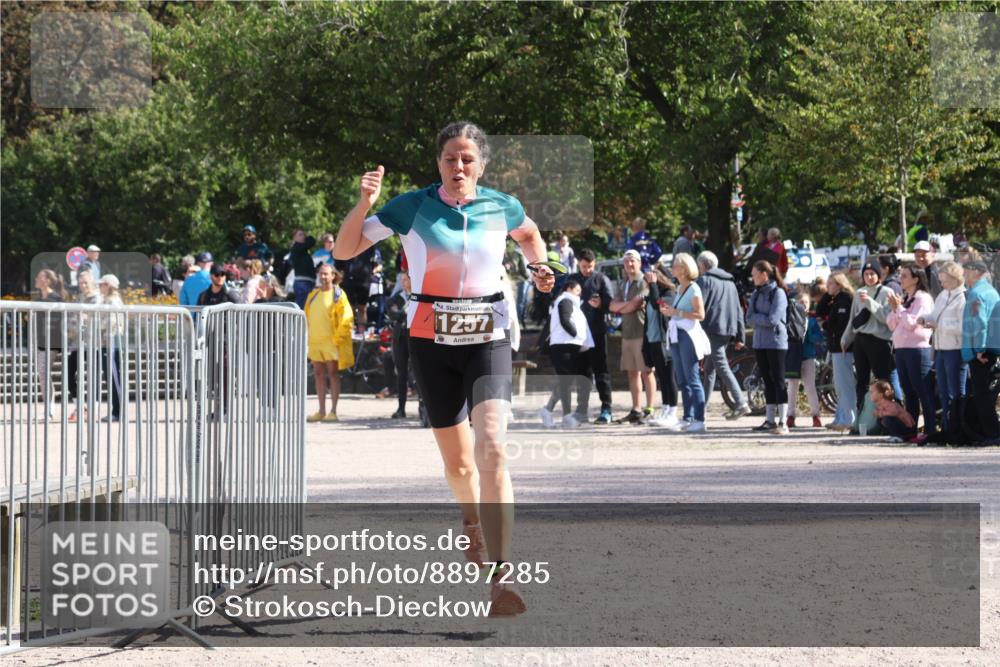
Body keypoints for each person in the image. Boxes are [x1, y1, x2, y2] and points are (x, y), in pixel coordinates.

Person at [332, 121, 555, 616]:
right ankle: (471, 521)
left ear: (482, 164)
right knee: (459, 465)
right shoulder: (410, 207)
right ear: (439, 163)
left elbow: (530, 234)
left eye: (468, 159)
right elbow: (344, 251)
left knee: (493, 446)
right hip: (431, 342)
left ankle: (502, 577)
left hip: (488, 336)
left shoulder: (502, 205)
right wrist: (364, 203)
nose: (459, 167)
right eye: (451, 158)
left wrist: (540, 268)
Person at [696, 250, 750, 419]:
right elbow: (738, 311)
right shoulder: (730, 283)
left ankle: (740, 402)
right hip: (728, 330)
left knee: (721, 365)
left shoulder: (704, 280)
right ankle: (701, 409)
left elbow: (699, 306)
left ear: (703, 265)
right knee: (711, 369)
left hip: (712, 329)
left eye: (699, 266)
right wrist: (740, 335)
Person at [886, 264, 936, 444]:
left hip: (918, 350)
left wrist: (898, 308)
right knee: (909, 392)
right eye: (901, 275)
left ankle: (930, 431)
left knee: (922, 390)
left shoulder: (923, 298)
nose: (901, 278)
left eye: (905, 276)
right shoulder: (906, 298)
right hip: (901, 349)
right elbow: (892, 324)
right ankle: (910, 430)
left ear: (916, 279)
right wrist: (894, 309)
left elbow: (911, 323)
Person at [660, 253, 709, 432]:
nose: (672, 268)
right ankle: (688, 417)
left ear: (684, 269)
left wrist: (677, 312)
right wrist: (671, 312)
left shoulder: (693, 289)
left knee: (692, 378)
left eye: (675, 265)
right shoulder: (680, 288)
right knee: (682, 379)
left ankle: (700, 419)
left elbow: (700, 315)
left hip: (687, 335)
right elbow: (678, 311)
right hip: (676, 334)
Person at [919, 261, 966, 433]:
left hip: (955, 349)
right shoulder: (942, 295)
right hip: (940, 349)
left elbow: (963, 327)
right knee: (944, 392)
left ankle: (959, 428)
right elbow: (934, 315)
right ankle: (947, 428)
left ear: (954, 278)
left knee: (956, 392)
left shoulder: (963, 297)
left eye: (944, 280)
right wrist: (925, 318)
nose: (941, 283)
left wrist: (939, 325)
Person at [538, 280, 594, 427]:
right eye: (577, 290)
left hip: (567, 345)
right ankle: (566, 415)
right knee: (566, 381)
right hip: (563, 345)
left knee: (566, 381)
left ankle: (548, 410)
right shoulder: (566, 300)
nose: (579, 294)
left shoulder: (568, 301)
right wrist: (576, 333)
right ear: (569, 288)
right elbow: (564, 319)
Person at [569, 249, 615, 424]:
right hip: (578, 334)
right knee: (582, 373)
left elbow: (611, 304)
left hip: (597, 331)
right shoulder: (571, 280)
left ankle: (606, 409)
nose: (587, 269)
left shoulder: (601, 279)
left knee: (601, 371)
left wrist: (601, 304)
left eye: (590, 266)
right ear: (578, 263)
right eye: (584, 266)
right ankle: (581, 410)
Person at [305, 264, 355, 423]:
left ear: (333, 275)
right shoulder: (313, 294)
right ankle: (321, 410)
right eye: (321, 274)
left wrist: (338, 338)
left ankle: (333, 411)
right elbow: (305, 315)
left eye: (326, 274)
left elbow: (346, 318)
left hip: (331, 341)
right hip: (315, 341)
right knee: (318, 375)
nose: (323, 277)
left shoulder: (338, 294)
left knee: (333, 374)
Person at [610, 249, 655, 423]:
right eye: (627, 261)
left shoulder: (644, 281)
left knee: (646, 371)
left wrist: (622, 306)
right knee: (631, 373)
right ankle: (636, 408)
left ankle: (649, 408)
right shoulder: (623, 283)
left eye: (632, 261)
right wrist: (624, 306)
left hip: (641, 331)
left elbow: (635, 304)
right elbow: (612, 305)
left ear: (639, 262)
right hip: (627, 333)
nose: (629, 264)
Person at [746, 260, 791, 434]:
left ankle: (783, 422)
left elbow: (773, 320)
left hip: (776, 342)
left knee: (779, 380)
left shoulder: (778, 293)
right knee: (767, 381)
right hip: (759, 342)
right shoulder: (756, 294)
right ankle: (770, 420)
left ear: (764, 274)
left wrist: (758, 318)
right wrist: (760, 319)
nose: (752, 278)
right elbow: (747, 318)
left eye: (754, 274)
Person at [845, 261, 894, 412]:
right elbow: (852, 320)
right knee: (861, 380)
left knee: (882, 380)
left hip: (879, 340)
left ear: (879, 275)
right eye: (866, 274)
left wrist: (870, 302)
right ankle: (862, 416)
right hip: (861, 340)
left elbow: (886, 319)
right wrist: (845, 339)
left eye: (873, 273)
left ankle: (886, 416)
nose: (869, 277)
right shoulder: (859, 292)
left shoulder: (887, 292)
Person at [961, 260, 1000, 441]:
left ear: (975, 271)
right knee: (987, 394)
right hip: (991, 348)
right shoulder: (992, 292)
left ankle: (991, 433)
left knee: (981, 394)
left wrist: (978, 350)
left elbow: (980, 323)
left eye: (966, 270)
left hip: (981, 352)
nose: (963, 273)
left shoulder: (976, 293)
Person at [816, 272, 856, 432]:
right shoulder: (836, 299)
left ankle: (848, 419)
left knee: (844, 384)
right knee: (839, 385)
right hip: (836, 347)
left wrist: (824, 325)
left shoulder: (844, 301)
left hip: (844, 348)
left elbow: (839, 326)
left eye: (831, 284)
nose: (827, 287)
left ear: (839, 284)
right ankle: (841, 417)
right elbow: (820, 309)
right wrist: (828, 293)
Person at [642, 262, 679, 428]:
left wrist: (653, 284)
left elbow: (660, 307)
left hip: (667, 342)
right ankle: (665, 409)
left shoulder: (670, 293)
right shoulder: (652, 294)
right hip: (654, 341)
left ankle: (673, 411)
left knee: (669, 377)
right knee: (662, 378)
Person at [66, 270, 102, 423]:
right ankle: (80, 406)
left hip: (94, 343)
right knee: (69, 374)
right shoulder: (78, 298)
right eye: (80, 283)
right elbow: (72, 319)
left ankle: (93, 409)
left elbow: (93, 318)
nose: (83, 285)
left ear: (92, 283)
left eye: (85, 282)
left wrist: (82, 317)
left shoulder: (98, 298)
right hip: (77, 343)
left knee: (94, 376)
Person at [786, 290, 824, 428]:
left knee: (810, 387)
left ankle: (816, 415)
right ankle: (790, 415)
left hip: (808, 356)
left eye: (806, 302)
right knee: (792, 387)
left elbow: (819, 338)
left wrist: (809, 335)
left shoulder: (812, 321)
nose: (804, 305)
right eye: (801, 302)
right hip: (793, 357)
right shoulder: (791, 319)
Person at [33, 269, 66, 420]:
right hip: (40, 341)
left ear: (47, 280)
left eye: (39, 277)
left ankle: (49, 410)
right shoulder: (39, 299)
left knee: (43, 371)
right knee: (43, 373)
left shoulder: (56, 298)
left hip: (52, 341)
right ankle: (49, 408)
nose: (36, 279)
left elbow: (62, 321)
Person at [97, 275, 125, 422]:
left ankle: (119, 411)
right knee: (111, 376)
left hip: (112, 341)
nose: (99, 286)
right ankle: (116, 410)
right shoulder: (108, 299)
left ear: (107, 285)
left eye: (101, 284)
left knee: (114, 377)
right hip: (107, 341)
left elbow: (108, 322)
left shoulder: (112, 300)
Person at [386, 271, 413, 418]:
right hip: (400, 337)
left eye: (406, 279)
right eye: (401, 279)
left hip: (415, 336)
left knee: (417, 372)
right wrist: (405, 313)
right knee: (401, 373)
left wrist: (403, 314)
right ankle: (401, 408)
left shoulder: (417, 297)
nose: (403, 282)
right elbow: (392, 314)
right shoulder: (396, 298)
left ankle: (423, 407)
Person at [287, 229, 317, 309]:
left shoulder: (303, 251)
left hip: (308, 282)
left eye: (304, 234)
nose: (303, 236)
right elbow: (312, 241)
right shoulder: (296, 248)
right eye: (300, 235)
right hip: (302, 283)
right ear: (294, 238)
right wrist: (307, 237)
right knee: (302, 308)